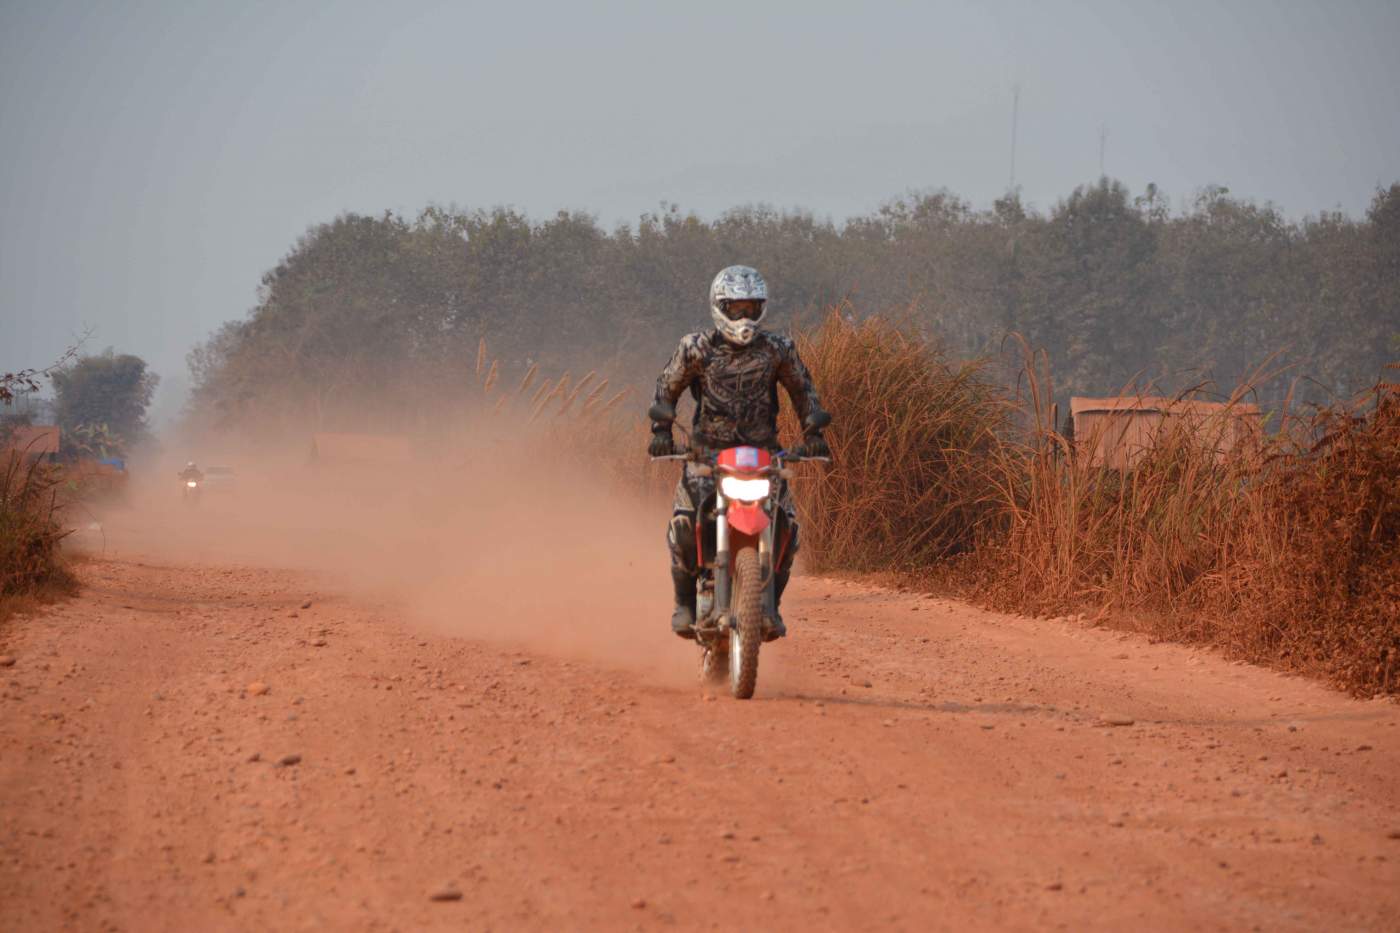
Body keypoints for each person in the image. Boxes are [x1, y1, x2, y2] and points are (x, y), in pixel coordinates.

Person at [649, 265, 830, 639]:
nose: (744, 316)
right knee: (683, 523)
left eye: (751, 307)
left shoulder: (779, 349)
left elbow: (803, 391)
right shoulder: (696, 347)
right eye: (735, 308)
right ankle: (683, 603)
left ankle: (772, 606)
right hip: (706, 455)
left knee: (789, 528)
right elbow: (667, 388)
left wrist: (814, 429)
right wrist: (661, 430)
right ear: (719, 307)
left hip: (765, 456)